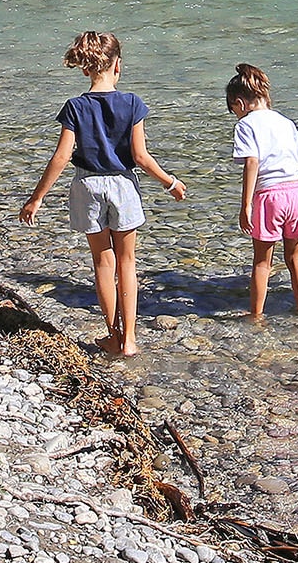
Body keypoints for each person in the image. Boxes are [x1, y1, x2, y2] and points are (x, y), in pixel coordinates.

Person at [20, 30, 185, 357]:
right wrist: (169, 182)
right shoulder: (132, 103)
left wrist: (37, 197)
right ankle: (130, 340)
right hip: (123, 185)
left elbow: (62, 157)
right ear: (118, 66)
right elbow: (140, 157)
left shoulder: (75, 107)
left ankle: (112, 334)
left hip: (87, 186)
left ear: (86, 69)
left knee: (102, 262)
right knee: (127, 262)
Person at [228, 64, 298, 321]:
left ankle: (256, 314)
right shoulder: (286, 122)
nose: (236, 116)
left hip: (270, 197)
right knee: (295, 256)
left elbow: (252, 162)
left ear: (240, 104)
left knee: (262, 262)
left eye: (233, 111)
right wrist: (296, 193)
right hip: (297, 194)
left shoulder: (246, 125)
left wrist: (246, 205)